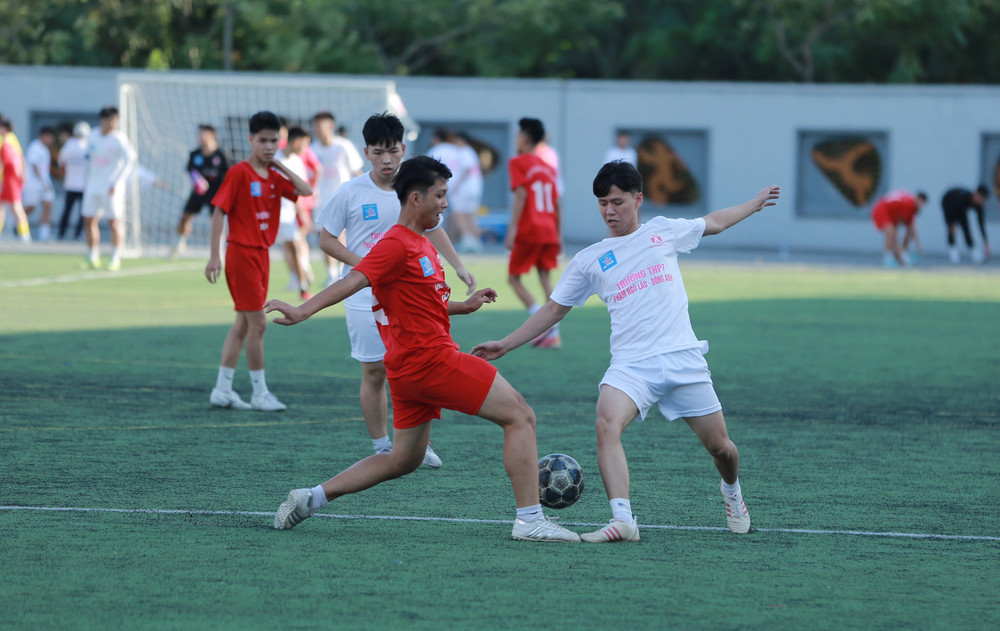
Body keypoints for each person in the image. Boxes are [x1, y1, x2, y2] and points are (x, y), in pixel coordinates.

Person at [266, 155, 579, 543]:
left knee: (403, 459)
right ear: (415, 199)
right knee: (521, 416)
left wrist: (464, 305)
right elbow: (352, 281)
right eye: (440, 195)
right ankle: (530, 520)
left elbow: (422, 302)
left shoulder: (422, 243)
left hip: (408, 371)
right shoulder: (396, 244)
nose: (445, 203)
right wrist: (302, 310)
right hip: (431, 361)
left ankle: (310, 498)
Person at [473, 161, 781, 542]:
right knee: (606, 422)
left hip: (682, 358)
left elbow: (713, 221)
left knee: (722, 449)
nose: (609, 211)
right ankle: (623, 520)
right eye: (602, 203)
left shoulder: (663, 231)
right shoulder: (589, 259)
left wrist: (754, 204)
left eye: (617, 202)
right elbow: (553, 310)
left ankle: (732, 492)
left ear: (638, 200)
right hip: (631, 366)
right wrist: (505, 344)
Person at [316, 113, 477, 469]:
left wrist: (458, 266)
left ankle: (420, 444)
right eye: (378, 152)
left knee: (415, 367)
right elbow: (326, 239)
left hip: (409, 297)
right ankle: (381, 447)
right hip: (362, 295)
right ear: (366, 153)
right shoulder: (351, 191)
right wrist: (365, 264)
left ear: (404, 149)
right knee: (374, 372)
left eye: (392, 151)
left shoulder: (415, 188)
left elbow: (433, 228)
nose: (386, 160)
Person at [205, 111, 313, 412]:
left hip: (262, 255)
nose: (268, 146)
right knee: (258, 324)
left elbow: (306, 191)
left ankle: (222, 390)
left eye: (273, 141)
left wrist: (280, 165)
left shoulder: (275, 176)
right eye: (263, 141)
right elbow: (218, 211)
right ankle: (259, 393)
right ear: (251, 140)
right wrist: (214, 255)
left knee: (242, 324)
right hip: (241, 253)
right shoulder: (239, 172)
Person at [506, 117, 562, 349]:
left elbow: (521, 195)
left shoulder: (518, 162)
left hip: (530, 228)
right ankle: (554, 333)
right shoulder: (548, 167)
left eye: (518, 135)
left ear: (525, 139)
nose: (516, 139)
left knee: (513, 279)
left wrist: (512, 229)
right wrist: (558, 234)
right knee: (545, 277)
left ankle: (543, 326)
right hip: (549, 229)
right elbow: (557, 203)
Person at [81, 106, 137, 271]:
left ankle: (115, 257)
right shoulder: (92, 136)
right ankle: (93, 255)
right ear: (103, 120)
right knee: (89, 220)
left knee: (113, 221)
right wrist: (86, 181)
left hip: (111, 188)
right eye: (111, 120)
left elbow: (130, 160)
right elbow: (87, 159)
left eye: (116, 120)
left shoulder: (119, 138)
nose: (114, 124)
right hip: (92, 185)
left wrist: (116, 182)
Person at [311, 111, 364, 285]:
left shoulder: (344, 146)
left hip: (343, 199)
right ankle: (331, 273)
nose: (317, 129)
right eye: (315, 126)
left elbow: (357, 171)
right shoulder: (312, 149)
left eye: (320, 125)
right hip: (321, 200)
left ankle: (344, 270)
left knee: (340, 235)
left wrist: (361, 194)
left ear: (330, 126)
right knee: (324, 236)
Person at [172, 125, 229, 257]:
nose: (200, 137)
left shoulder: (221, 155)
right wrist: (198, 180)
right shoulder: (195, 154)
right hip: (198, 192)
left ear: (211, 134)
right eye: (199, 134)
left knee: (216, 221)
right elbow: (190, 170)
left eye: (203, 134)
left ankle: (219, 251)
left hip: (216, 193)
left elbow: (228, 174)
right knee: (185, 217)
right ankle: (180, 244)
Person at [276, 126, 314, 300]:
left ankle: (302, 285)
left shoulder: (297, 162)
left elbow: (298, 191)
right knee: (290, 247)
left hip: (287, 214)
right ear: (297, 142)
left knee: (294, 246)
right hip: (269, 213)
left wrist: (302, 213)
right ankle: (301, 278)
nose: (306, 149)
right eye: (305, 144)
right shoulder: (274, 159)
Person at [870, 189, 926, 268]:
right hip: (881, 210)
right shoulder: (910, 204)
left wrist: (906, 248)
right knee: (891, 233)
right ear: (918, 199)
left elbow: (910, 230)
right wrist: (918, 247)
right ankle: (888, 258)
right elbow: (911, 228)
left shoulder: (909, 204)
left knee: (894, 235)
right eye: (921, 202)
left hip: (890, 213)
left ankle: (898, 256)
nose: (921, 205)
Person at [450, 132, 485, 253]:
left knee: (459, 213)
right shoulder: (470, 152)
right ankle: (474, 241)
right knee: (470, 215)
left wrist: (456, 185)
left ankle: (467, 240)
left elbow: (467, 169)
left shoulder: (464, 151)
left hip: (465, 189)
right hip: (474, 189)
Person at [57, 121, 90, 241]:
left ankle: (64, 233)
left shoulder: (71, 145)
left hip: (74, 184)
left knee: (71, 211)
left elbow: (61, 163)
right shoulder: (76, 144)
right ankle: (75, 234)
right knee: (76, 212)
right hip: (78, 185)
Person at [941, 185, 990, 264]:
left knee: (966, 228)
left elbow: (981, 224)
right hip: (948, 202)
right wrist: (950, 222)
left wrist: (985, 242)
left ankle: (974, 252)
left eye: (983, 200)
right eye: (981, 199)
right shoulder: (962, 198)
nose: (982, 202)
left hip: (961, 209)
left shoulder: (979, 205)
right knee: (952, 229)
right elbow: (949, 210)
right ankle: (953, 252)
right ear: (976, 194)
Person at [23, 127, 56, 240]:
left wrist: (46, 182)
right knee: (30, 207)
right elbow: (34, 165)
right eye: (48, 137)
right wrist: (42, 181)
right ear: (42, 136)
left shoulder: (46, 149)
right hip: (33, 184)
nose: (50, 140)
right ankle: (18, 225)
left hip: (46, 183)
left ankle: (44, 234)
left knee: (47, 206)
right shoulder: (35, 147)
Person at [0, 117, 30, 242]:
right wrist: (23, 174)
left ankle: (25, 235)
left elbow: (4, 162)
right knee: (3, 206)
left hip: (10, 178)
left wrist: (22, 174)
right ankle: (24, 235)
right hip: (11, 178)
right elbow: (21, 158)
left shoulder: (6, 141)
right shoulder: (11, 139)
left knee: (16, 206)